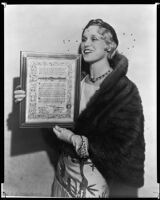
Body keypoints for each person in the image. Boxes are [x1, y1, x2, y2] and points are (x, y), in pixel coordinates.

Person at [14, 19, 145, 198]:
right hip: (63, 174)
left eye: (94, 38)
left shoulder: (124, 91)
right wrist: (29, 101)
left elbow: (122, 148)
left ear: (109, 46)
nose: (86, 44)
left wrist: (75, 139)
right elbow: (51, 121)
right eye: (84, 39)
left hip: (93, 179)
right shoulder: (73, 82)